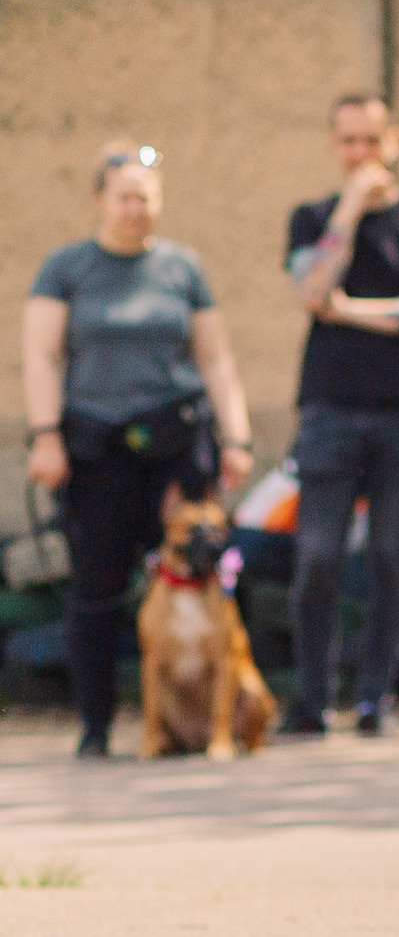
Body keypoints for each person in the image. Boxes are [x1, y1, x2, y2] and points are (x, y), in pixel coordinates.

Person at [22, 141, 254, 758]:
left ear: (159, 202)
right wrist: (45, 437)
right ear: (100, 199)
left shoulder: (183, 267)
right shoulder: (65, 267)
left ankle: (217, 725)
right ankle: (96, 728)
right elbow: (41, 356)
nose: (135, 209)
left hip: (176, 447)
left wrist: (236, 436)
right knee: (96, 590)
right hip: (95, 449)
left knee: (203, 579)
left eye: (146, 198)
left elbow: (215, 358)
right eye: (124, 197)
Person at [281, 93, 399, 737]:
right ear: (335, 145)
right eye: (347, 141)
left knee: (391, 555)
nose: (359, 153)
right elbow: (311, 290)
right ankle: (310, 705)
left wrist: (350, 310)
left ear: (394, 141)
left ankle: (375, 705)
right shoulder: (311, 218)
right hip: (328, 413)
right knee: (317, 558)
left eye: (370, 140)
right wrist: (352, 206)